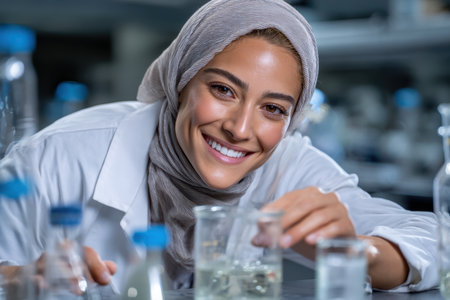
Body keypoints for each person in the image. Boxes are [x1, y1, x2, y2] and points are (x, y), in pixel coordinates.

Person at [0, 0, 438, 295]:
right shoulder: (57, 158)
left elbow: (438, 239)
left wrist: (359, 250)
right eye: (224, 90)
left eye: (272, 108)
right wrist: (18, 280)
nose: (240, 128)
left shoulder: (289, 165)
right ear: (181, 80)